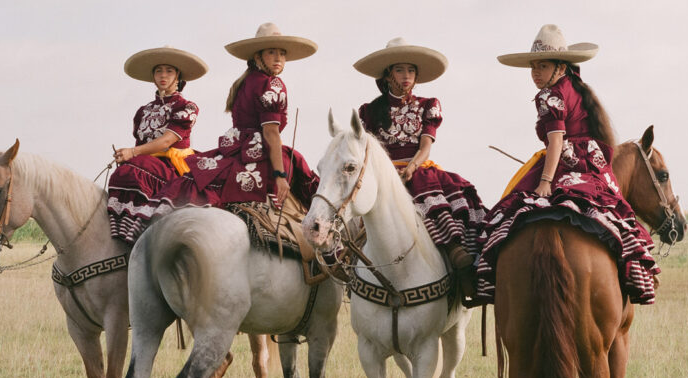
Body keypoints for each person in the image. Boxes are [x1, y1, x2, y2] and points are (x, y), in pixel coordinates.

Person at [476, 24, 660, 304]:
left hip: (566, 163)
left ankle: (486, 277)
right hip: (595, 165)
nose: (536, 73)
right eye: (533, 66)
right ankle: (637, 270)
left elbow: (557, 142)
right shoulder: (576, 87)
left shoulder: (549, 96)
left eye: (543, 65)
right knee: (614, 211)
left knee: (509, 212)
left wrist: (546, 181)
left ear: (560, 66)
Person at [354, 38, 487, 298]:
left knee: (434, 204)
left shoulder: (428, 105)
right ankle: (349, 272)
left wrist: (412, 166)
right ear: (388, 74)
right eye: (400, 70)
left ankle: (455, 257)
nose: (406, 76)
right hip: (384, 175)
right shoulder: (369, 111)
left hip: (417, 168)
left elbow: (425, 146)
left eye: (411, 71)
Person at [176, 23, 320, 209]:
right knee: (298, 171)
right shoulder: (272, 84)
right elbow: (271, 134)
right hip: (259, 150)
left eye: (282, 53)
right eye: (271, 52)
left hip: (236, 147)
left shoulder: (245, 81)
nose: (278, 58)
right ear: (258, 55)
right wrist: (280, 175)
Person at [106, 46, 212, 244]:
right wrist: (127, 156)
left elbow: (166, 142)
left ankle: (143, 231)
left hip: (174, 165)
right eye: (158, 70)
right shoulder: (142, 111)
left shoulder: (186, 107)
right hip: (145, 162)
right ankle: (121, 232)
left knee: (133, 171)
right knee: (123, 172)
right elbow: (140, 144)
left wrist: (132, 152)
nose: (163, 75)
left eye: (169, 70)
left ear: (178, 75)